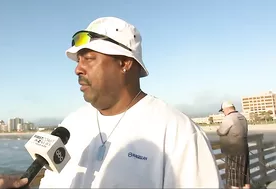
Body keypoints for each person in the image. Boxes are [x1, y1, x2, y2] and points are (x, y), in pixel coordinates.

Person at [39, 16, 223, 188]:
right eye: (78, 61)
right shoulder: (71, 124)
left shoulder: (178, 132)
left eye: (88, 58)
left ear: (125, 63)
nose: (78, 69)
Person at [217, 101, 250, 189]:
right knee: (245, 176)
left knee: (234, 178)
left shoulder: (229, 118)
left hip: (233, 151)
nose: (223, 113)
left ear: (226, 109)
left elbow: (221, 131)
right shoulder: (242, 117)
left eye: (223, 111)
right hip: (244, 149)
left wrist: (217, 129)